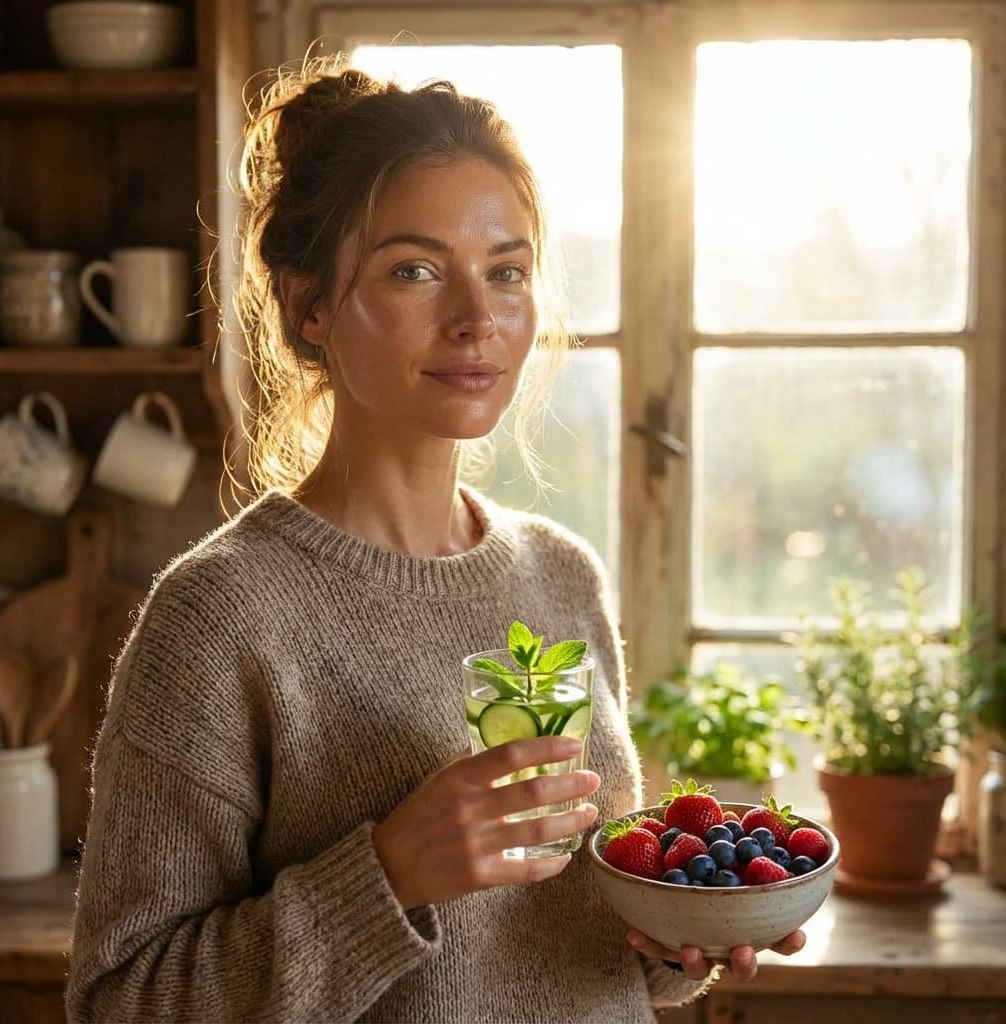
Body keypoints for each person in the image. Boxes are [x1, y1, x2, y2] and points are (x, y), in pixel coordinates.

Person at [66, 59, 805, 1023]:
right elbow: (124, 1002)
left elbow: (572, 945)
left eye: (506, 272)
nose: (476, 319)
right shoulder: (218, 616)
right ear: (309, 306)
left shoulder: (559, 575)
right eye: (415, 270)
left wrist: (681, 933)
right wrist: (385, 874)